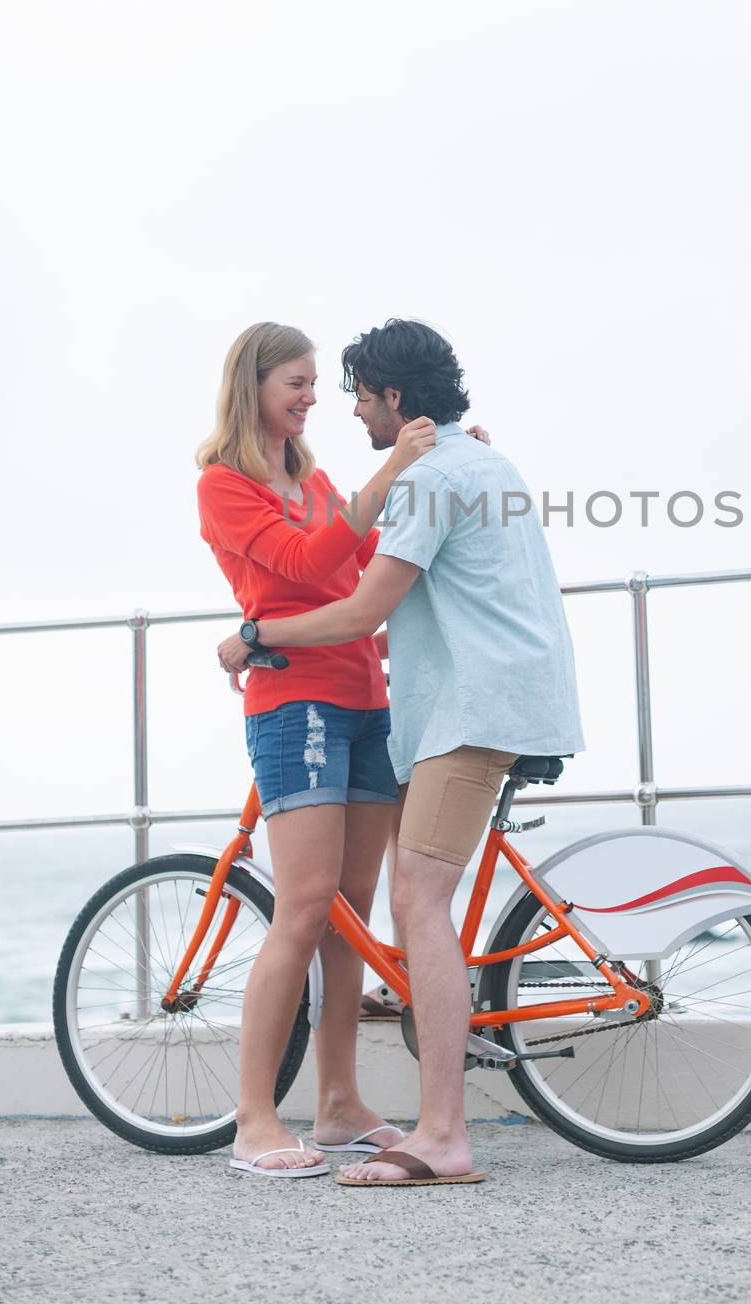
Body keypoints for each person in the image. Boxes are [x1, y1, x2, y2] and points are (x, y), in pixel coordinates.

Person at [223, 318, 585, 1186]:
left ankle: (442, 1139)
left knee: (417, 899)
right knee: (410, 899)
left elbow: (356, 610)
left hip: (469, 711)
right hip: (501, 699)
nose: (346, 411)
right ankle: (363, 1104)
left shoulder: (429, 478)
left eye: (354, 394)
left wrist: (253, 634)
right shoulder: (483, 464)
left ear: (392, 398)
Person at [197, 320, 488, 1177]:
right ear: (251, 384)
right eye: (294, 381)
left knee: (346, 916)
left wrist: (447, 464)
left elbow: (365, 557)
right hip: (295, 703)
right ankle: (254, 1118)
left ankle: (337, 1106)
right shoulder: (224, 484)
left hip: (367, 703)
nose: (311, 396)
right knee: (303, 903)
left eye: (316, 384)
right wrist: (395, 463)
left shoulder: (312, 477)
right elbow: (302, 558)